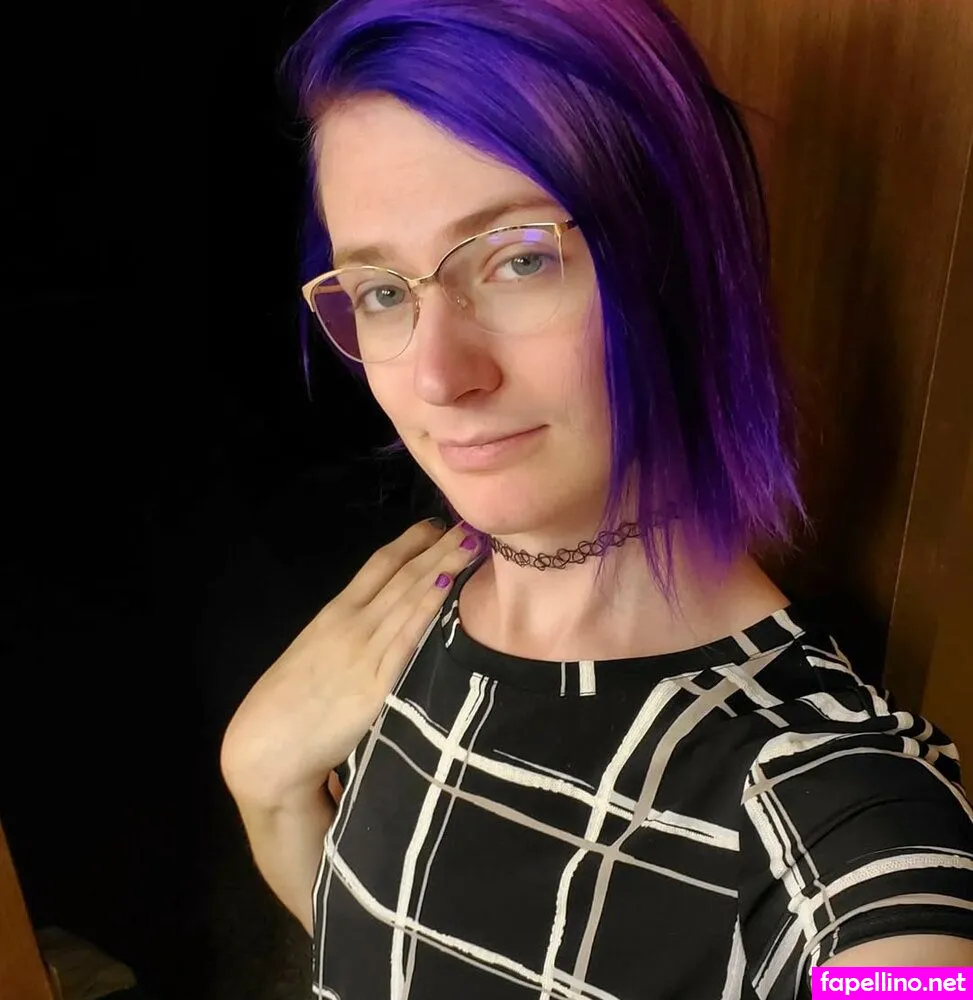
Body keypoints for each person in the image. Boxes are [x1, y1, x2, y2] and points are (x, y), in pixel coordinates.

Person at [220, 1, 973, 997]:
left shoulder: (835, 810)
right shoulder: (403, 613)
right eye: (383, 290)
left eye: (519, 258)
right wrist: (269, 789)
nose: (437, 376)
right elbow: (393, 957)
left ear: (680, 261)